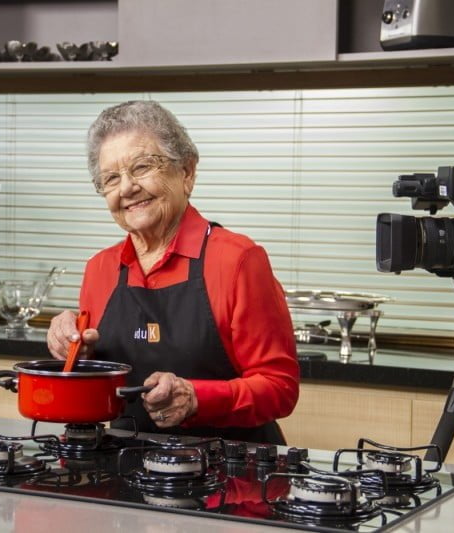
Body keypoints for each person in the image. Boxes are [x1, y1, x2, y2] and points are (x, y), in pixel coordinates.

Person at [47, 100, 299, 445]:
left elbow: (280, 388)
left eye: (142, 167)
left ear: (187, 172)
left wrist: (196, 398)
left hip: (232, 478)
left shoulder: (239, 260)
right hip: (126, 469)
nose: (127, 189)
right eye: (111, 178)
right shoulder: (100, 269)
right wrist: (74, 352)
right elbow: (100, 386)